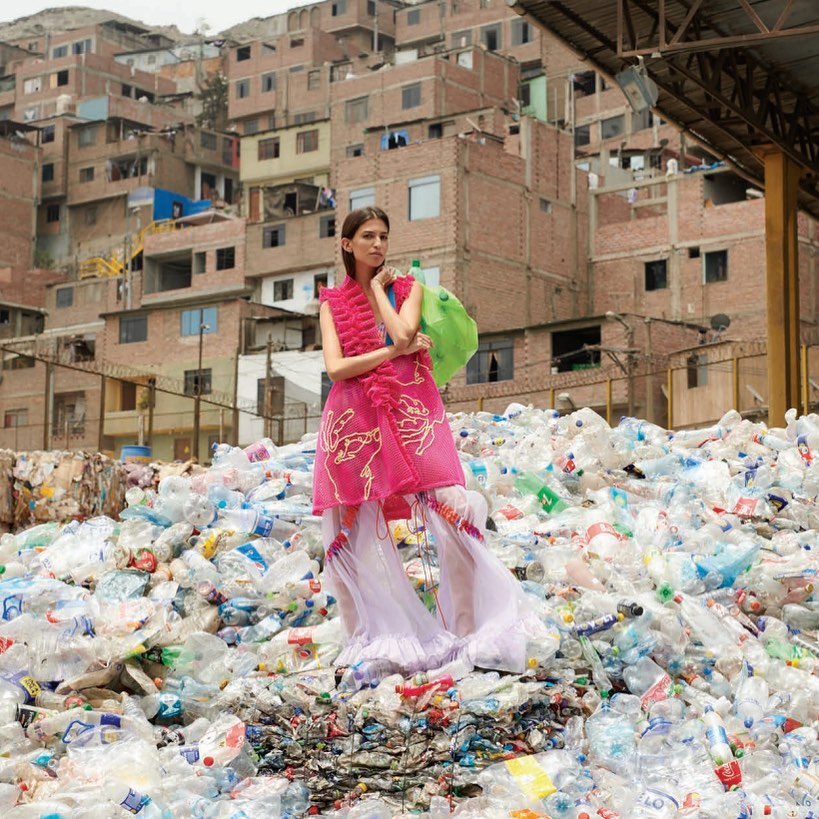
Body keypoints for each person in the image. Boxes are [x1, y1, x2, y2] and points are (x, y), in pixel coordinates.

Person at [313, 206, 537, 676]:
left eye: (384, 237)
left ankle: (466, 633)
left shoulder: (406, 288)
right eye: (368, 237)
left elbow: (404, 332)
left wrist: (378, 293)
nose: (378, 245)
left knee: (452, 504)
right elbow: (336, 369)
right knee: (350, 531)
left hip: (412, 413)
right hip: (353, 422)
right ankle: (364, 641)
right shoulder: (330, 305)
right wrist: (391, 352)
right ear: (347, 245)